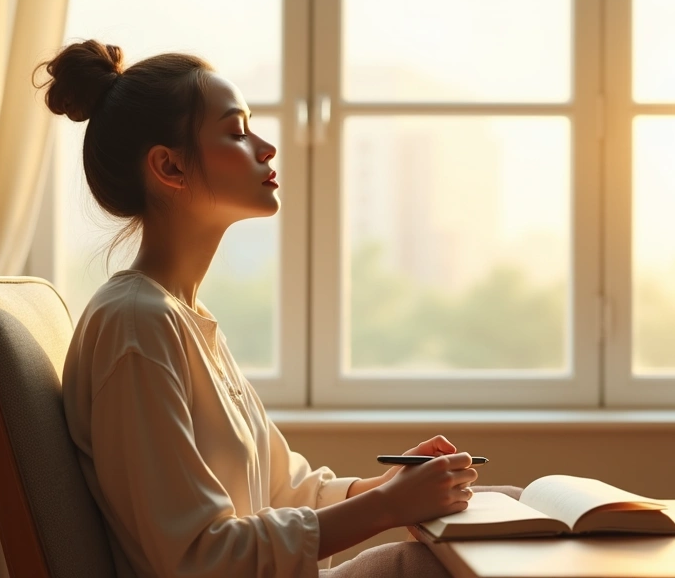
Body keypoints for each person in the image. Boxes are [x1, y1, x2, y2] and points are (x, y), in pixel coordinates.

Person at [43, 40, 514, 577]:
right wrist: (388, 507)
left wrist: (384, 487)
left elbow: (285, 491)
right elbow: (197, 556)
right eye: (237, 133)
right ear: (169, 166)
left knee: (513, 506)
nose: (266, 148)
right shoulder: (138, 324)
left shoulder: (181, 318)